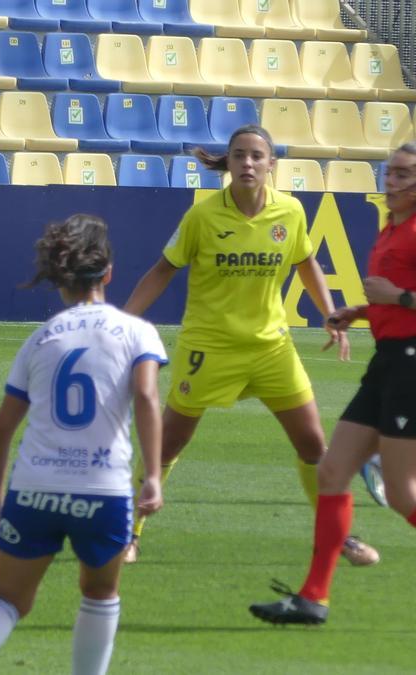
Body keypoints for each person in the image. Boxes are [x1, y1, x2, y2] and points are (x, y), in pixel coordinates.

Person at [121, 124, 378, 567]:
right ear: (229, 162)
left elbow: (306, 262)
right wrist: (124, 322)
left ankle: (339, 536)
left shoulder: (291, 212)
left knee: (313, 445)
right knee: (169, 445)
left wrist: (329, 311)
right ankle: (128, 531)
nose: (247, 163)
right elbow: (163, 270)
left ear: (271, 164)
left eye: (257, 156)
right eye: (239, 155)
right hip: (209, 347)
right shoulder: (203, 217)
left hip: (270, 349)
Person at [0, 215, 166, 675]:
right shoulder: (137, 332)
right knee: (100, 593)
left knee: (6, 599)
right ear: (109, 273)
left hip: (34, 488)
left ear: (59, 280)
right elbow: (147, 396)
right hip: (102, 489)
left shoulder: (40, 339)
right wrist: (151, 476)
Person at [250, 143, 416, 625]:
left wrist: (401, 297)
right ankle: (313, 598)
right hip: (388, 361)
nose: (393, 182)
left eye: (405, 175)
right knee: (331, 471)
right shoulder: (393, 227)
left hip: (410, 364)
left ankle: (313, 597)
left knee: (404, 494)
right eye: (391, 173)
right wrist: (361, 312)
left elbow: (403, 296)